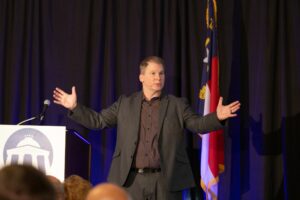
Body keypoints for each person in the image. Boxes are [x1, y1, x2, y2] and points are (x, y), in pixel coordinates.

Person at [53, 56, 241, 200]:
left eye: (161, 73)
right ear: (141, 77)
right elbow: (98, 121)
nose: (158, 78)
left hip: (166, 181)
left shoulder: (177, 105)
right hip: (131, 180)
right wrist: (74, 107)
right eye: (153, 73)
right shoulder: (125, 104)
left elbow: (197, 124)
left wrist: (218, 117)